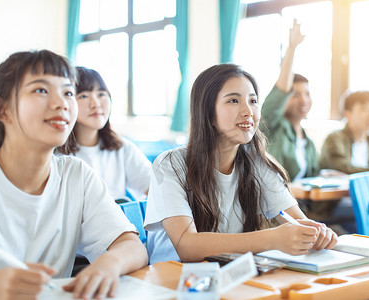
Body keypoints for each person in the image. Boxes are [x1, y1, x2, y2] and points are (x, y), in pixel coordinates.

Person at [0, 50, 148, 300]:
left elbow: (132, 247)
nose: (61, 103)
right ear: (1, 108)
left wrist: (108, 265)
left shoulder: (77, 174)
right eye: (41, 90)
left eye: (68, 92)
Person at [143, 63, 338, 264]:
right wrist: (272, 238)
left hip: (231, 275)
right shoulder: (170, 165)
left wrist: (316, 232)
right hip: (175, 282)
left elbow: (297, 221)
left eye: (253, 101)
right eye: (234, 100)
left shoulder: (257, 163)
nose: (248, 111)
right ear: (208, 112)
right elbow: (187, 246)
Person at [58, 67, 152, 201]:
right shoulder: (57, 155)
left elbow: (156, 188)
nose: (95, 104)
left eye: (101, 94)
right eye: (83, 96)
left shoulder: (122, 148)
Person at [261, 19, 319, 182]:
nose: (304, 100)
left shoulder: (309, 143)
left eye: (307, 94)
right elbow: (282, 89)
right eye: (295, 94)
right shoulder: (271, 126)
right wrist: (292, 47)